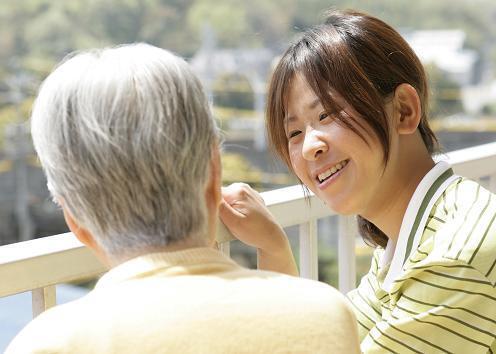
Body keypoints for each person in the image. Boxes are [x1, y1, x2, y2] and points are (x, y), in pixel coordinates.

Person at [6, 43, 360, 354]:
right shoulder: (324, 314)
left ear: (75, 219)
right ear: (214, 173)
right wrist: (276, 251)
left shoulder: (47, 344)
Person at [220, 10, 496, 354]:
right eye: (294, 132)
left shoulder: (453, 256)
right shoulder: (409, 243)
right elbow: (326, 343)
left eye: (327, 114)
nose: (309, 146)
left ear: (404, 111)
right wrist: (274, 247)